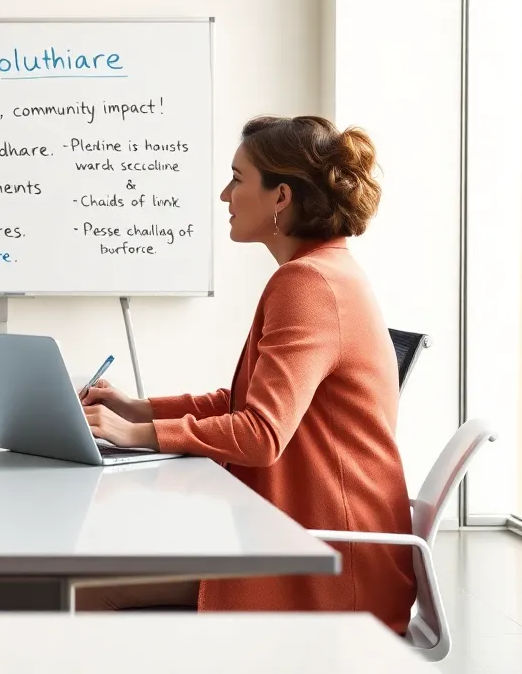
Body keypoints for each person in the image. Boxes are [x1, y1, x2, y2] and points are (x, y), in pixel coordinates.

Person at [78, 115, 418, 634]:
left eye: (238, 179)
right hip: (312, 538)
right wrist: (137, 409)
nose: (224, 195)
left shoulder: (308, 284)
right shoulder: (324, 271)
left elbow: (260, 434)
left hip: (329, 564)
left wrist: (137, 435)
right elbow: (245, 403)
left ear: (280, 196)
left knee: (82, 590)